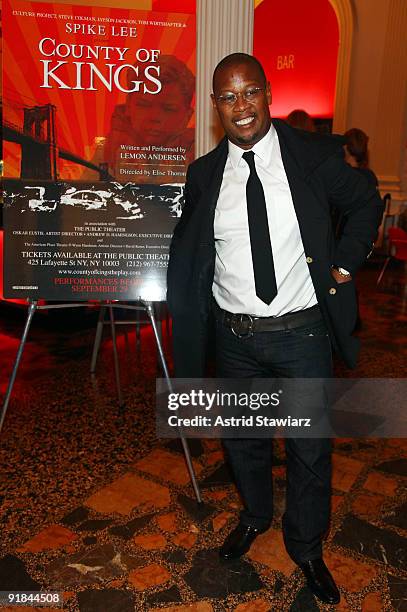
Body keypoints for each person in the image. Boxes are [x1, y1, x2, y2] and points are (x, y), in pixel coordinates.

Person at [167, 53, 383, 605]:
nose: (240, 107)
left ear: (267, 93)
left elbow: (363, 203)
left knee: (311, 448)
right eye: (228, 97)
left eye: (249, 93)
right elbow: (194, 253)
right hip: (234, 336)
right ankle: (256, 515)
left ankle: (307, 548)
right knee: (244, 439)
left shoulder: (312, 157)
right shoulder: (204, 174)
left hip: (301, 331)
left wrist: (344, 264)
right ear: (217, 106)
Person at [104, 55, 195, 182]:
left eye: (169, 109)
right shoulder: (104, 152)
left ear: (187, 116)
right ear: (128, 107)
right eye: (143, 105)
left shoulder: (199, 155)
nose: (154, 117)